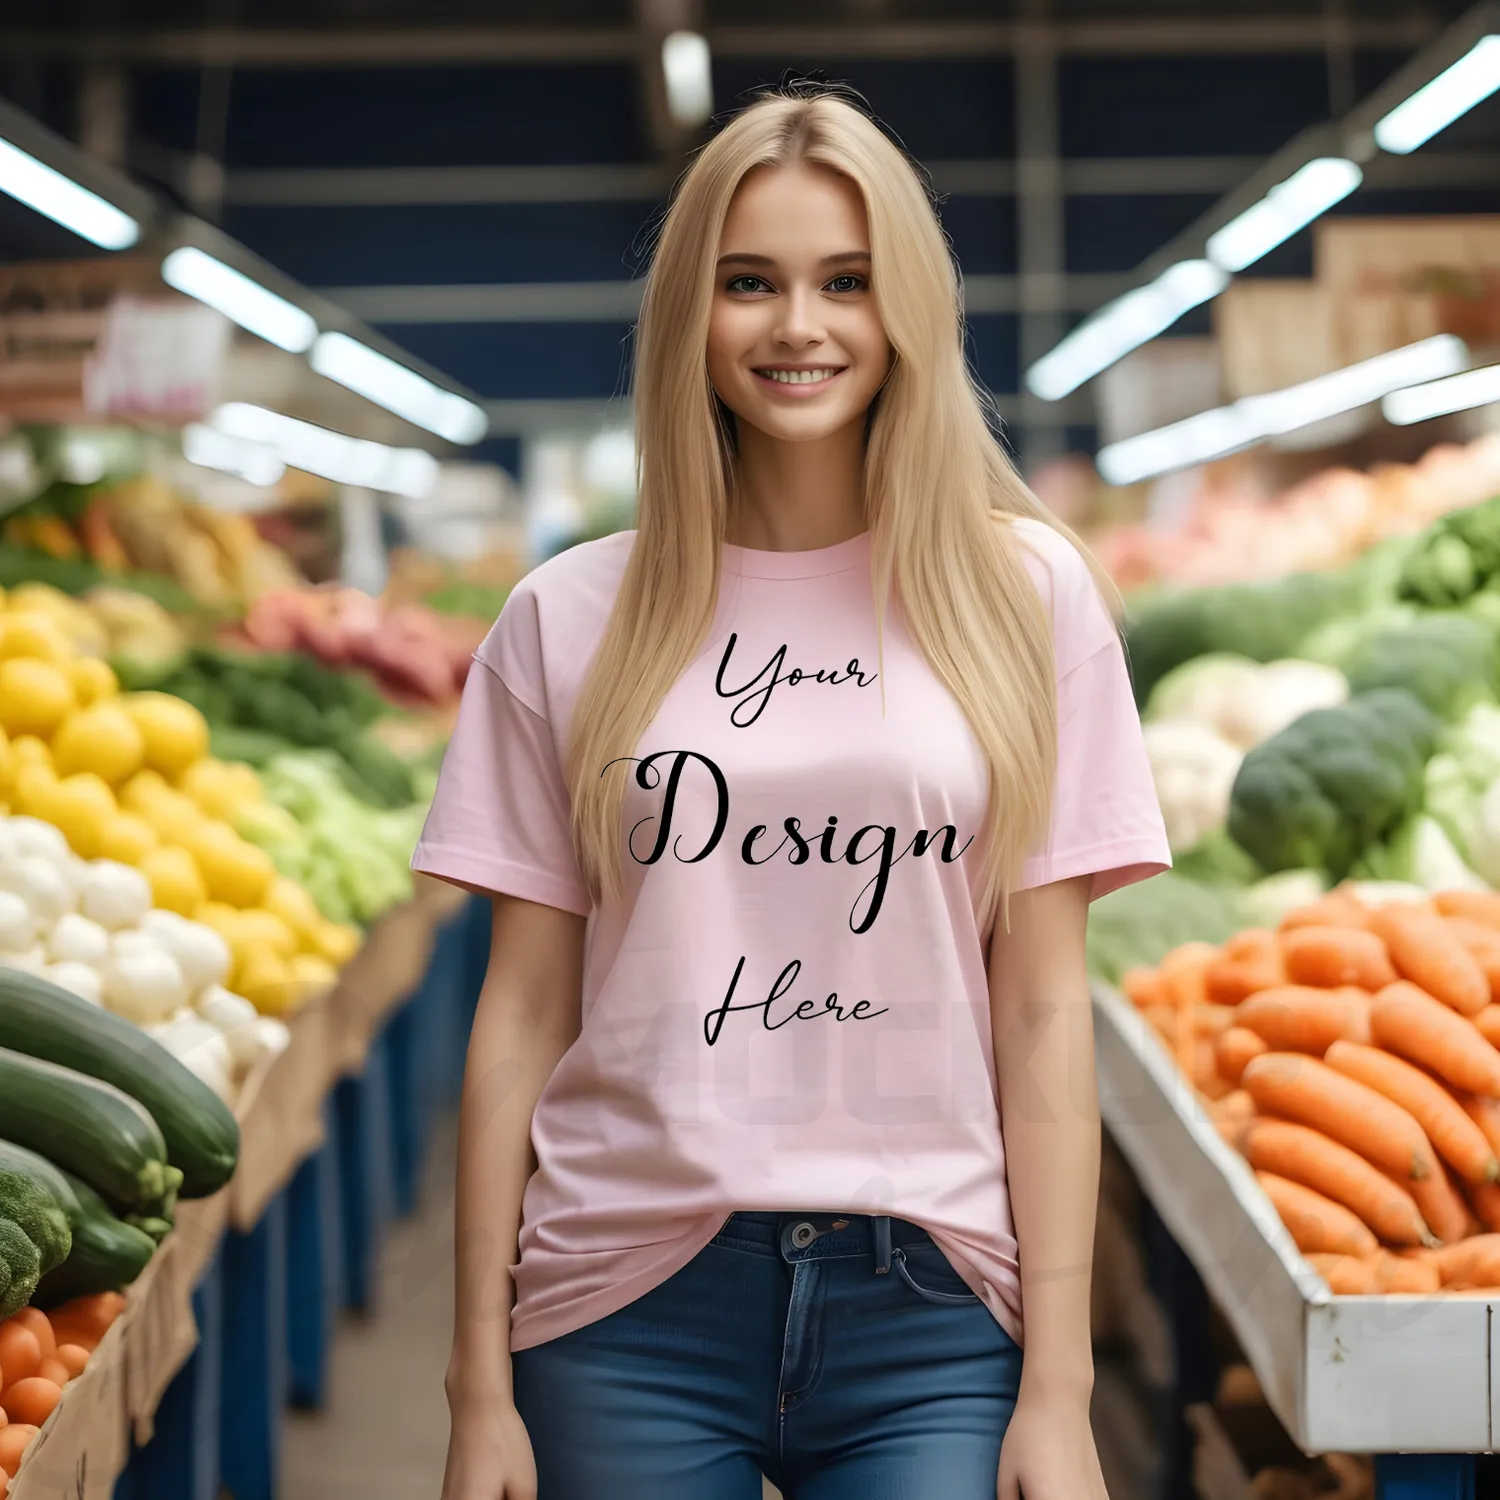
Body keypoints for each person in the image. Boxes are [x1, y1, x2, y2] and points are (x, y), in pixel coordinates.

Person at [414, 81, 1170, 1500]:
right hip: (624, 1302)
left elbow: (1047, 1004)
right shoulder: (567, 616)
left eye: (847, 282)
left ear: (909, 315)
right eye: (748, 282)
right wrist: (475, 1388)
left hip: (932, 1303)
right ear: (691, 316)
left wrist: (1061, 1391)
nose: (798, 326)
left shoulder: (1026, 597)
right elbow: (517, 1011)